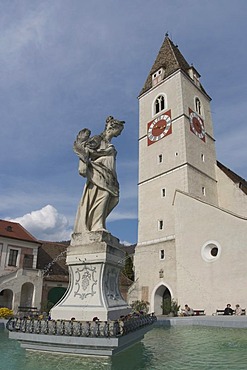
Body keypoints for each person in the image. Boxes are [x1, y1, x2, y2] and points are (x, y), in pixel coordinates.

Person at [73, 116, 125, 233]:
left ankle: (97, 222)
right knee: (103, 195)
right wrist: (82, 164)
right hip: (98, 171)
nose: (120, 134)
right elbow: (84, 148)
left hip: (110, 174)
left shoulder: (108, 143)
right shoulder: (98, 139)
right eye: (119, 130)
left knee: (113, 199)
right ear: (112, 127)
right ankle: (96, 225)